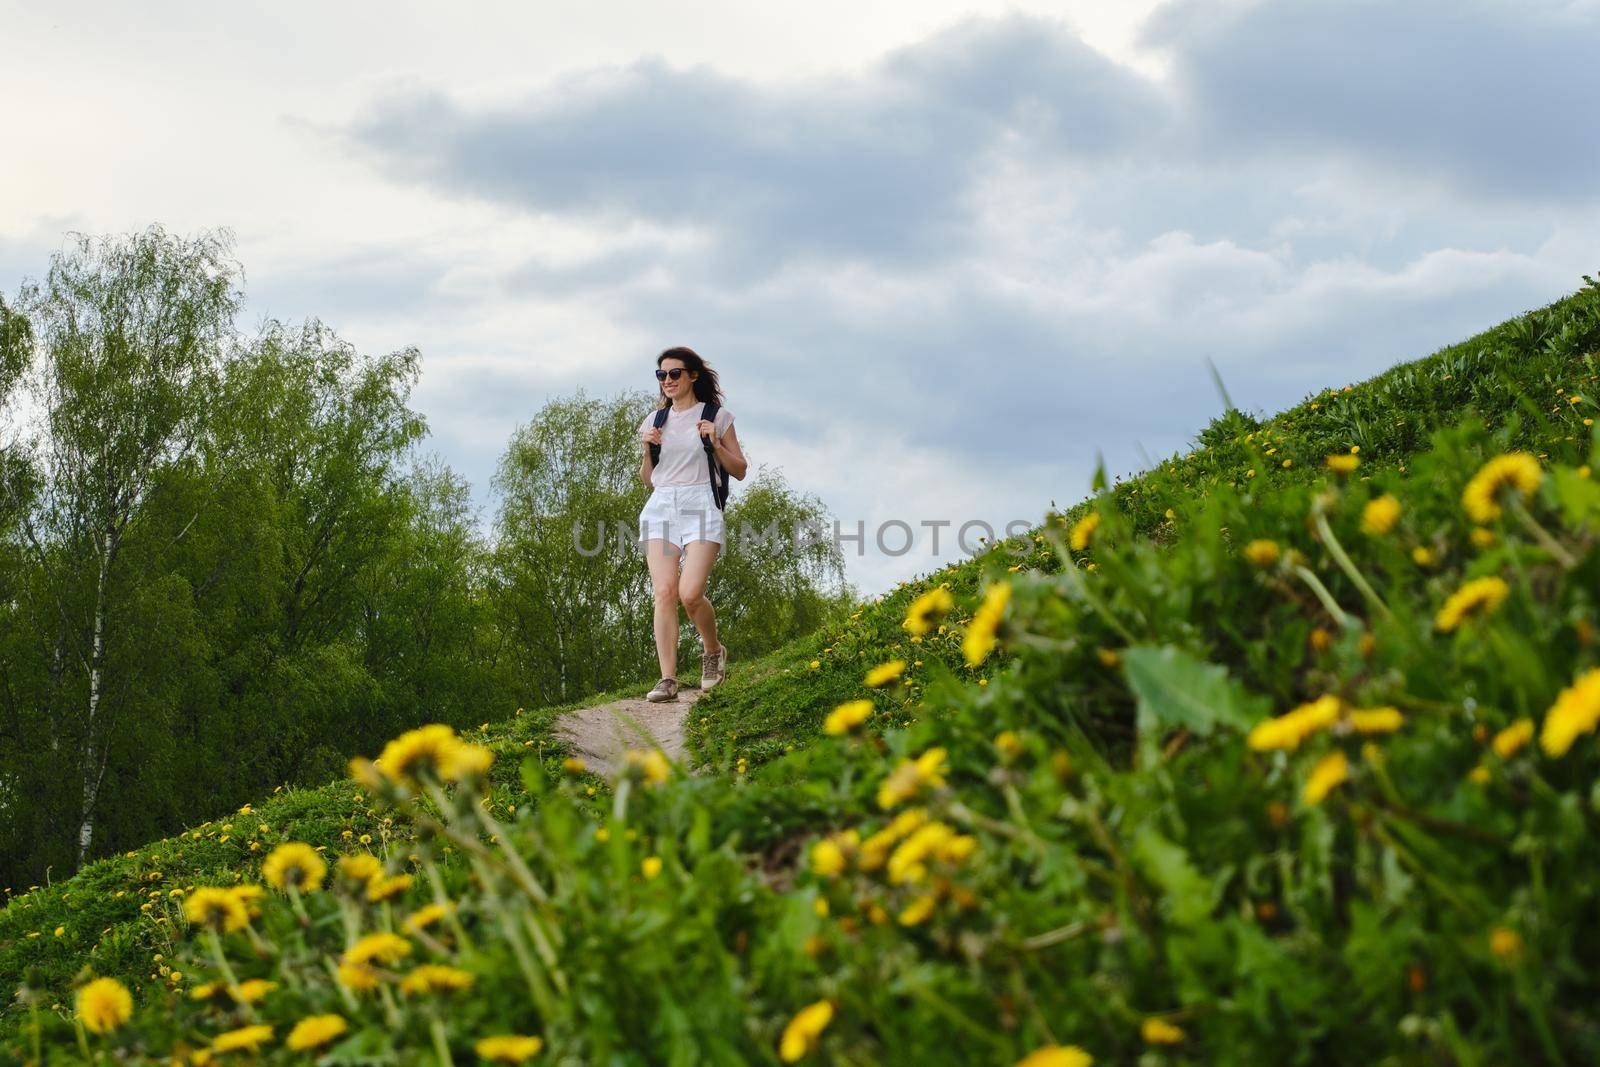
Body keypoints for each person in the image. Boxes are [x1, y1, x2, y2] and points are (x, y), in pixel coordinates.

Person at [637, 346, 747, 701]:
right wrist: (646, 450)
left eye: (674, 374)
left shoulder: (717, 416)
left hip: (701, 504)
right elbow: (649, 479)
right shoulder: (655, 421)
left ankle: (713, 652)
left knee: (690, 593)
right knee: (664, 592)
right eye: (661, 375)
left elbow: (740, 470)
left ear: (693, 376)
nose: (667, 381)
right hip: (662, 506)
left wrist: (714, 443)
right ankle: (667, 679)